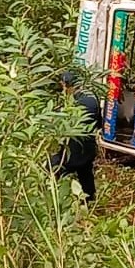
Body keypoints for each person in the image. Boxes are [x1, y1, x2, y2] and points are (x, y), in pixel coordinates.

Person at [49, 70, 102, 203]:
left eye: (63, 86)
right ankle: (90, 200)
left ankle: (57, 201)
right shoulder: (91, 96)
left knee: (54, 168)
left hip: (75, 148)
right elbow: (98, 122)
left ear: (67, 85)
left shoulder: (76, 102)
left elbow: (67, 125)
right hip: (89, 147)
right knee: (85, 173)